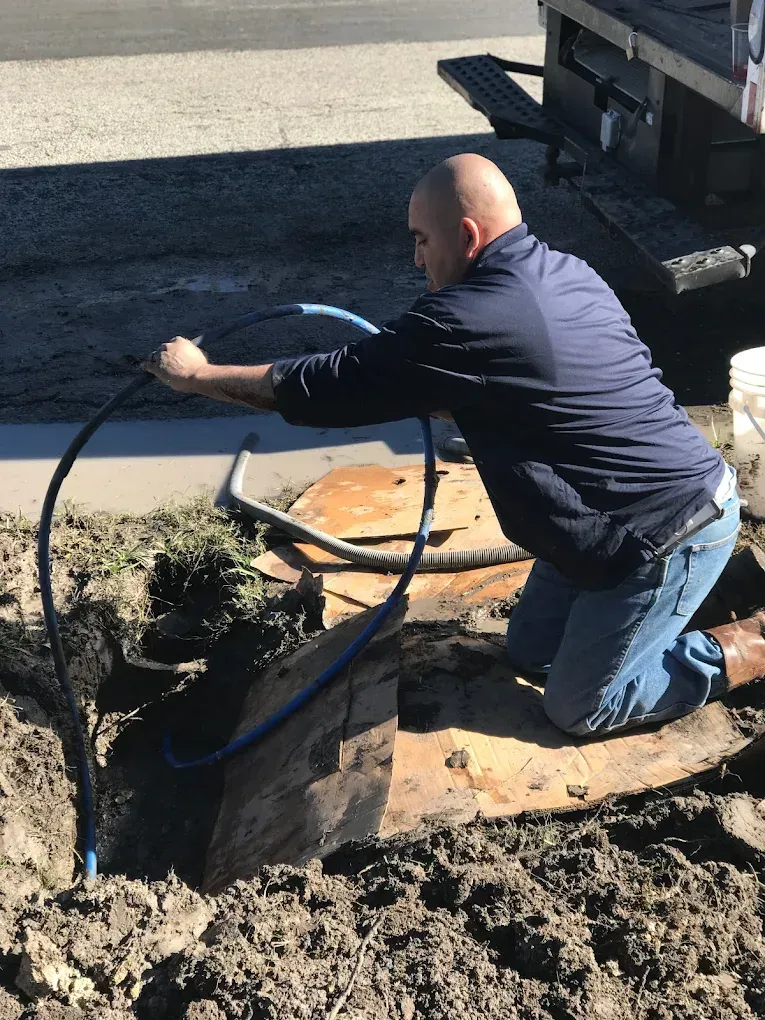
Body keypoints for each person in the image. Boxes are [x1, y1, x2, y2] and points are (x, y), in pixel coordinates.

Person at [143, 153, 763, 737]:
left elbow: (320, 389)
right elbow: (524, 382)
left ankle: (745, 645)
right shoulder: (566, 272)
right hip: (608, 523)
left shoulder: (466, 321)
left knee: (579, 706)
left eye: (421, 240)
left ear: (466, 236)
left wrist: (197, 377)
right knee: (529, 652)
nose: (416, 259)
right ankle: (664, 614)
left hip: (666, 530)